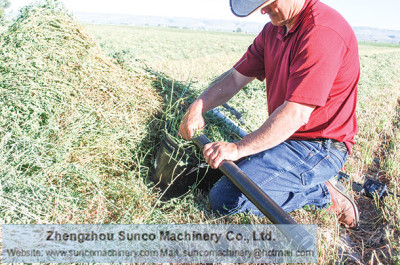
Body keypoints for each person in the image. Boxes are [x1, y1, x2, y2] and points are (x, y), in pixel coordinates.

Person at [178, 0, 360, 228]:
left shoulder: (322, 31)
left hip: (319, 147)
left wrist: (239, 148)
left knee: (224, 200)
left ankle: (321, 194)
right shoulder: (273, 31)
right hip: (286, 137)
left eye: (269, 2)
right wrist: (199, 105)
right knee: (213, 173)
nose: (263, 10)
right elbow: (235, 78)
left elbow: (296, 114)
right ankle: (292, 178)